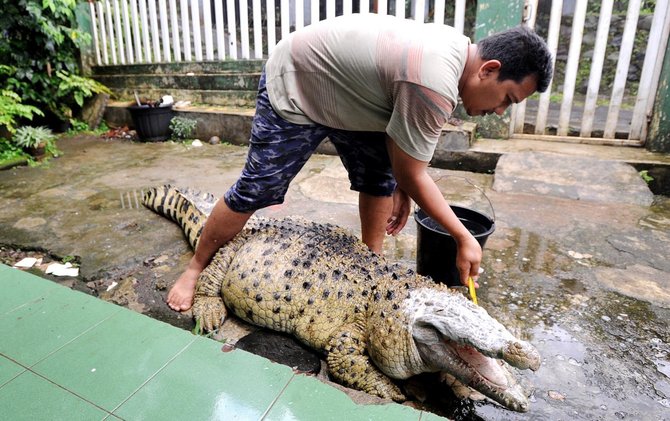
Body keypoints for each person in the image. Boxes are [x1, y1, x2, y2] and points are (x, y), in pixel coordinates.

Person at [166, 13, 553, 311]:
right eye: (507, 99)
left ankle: (369, 270)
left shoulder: (456, 54)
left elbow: (403, 151)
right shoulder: (434, 80)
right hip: (299, 82)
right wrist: (464, 237)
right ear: (489, 70)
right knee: (258, 187)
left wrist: (402, 186)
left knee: (378, 178)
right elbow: (413, 171)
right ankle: (196, 268)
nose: (500, 111)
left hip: (348, 92)